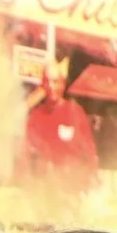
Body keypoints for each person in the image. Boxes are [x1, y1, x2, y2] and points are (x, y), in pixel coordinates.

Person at [23, 56, 98, 193]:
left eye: (56, 82)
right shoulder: (35, 117)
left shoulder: (74, 112)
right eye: (47, 82)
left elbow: (90, 153)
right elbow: (27, 156)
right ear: (43, 85)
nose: (51, 86)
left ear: (63, 84)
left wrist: (88, 181)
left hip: (72, 190)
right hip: (43, 192)